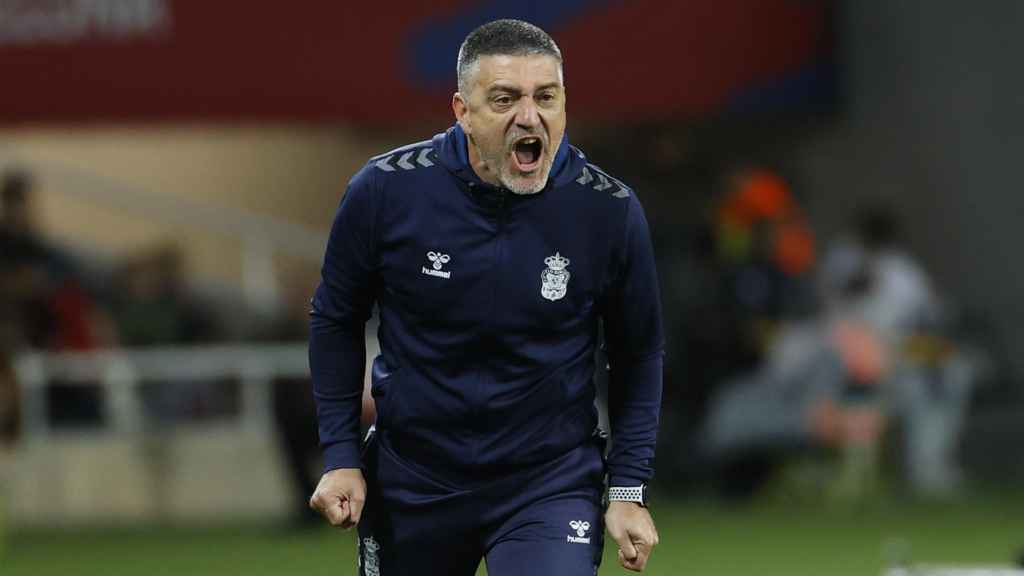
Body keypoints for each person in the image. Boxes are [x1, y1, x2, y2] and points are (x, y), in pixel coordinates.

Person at [308, 19, 664, 575]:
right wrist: (341, 458)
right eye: (504, 99)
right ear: (462, 112)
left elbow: (639, 353)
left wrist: (626, 488)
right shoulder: (386, 190)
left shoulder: (608, 210)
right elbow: (334, 320)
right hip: (414, 481)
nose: (530, 116)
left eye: (546, 97)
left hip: (549, 483)